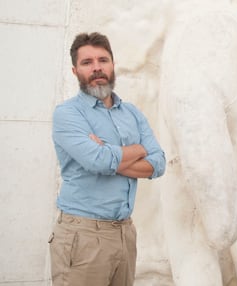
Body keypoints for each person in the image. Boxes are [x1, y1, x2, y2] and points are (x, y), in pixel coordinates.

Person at [49, 32, 166, 286]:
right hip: (83, 235)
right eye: (87, 62)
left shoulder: (131, 112)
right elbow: (98, 162)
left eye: (103, 60)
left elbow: (158, 163)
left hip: (125, 232)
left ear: (113, 64)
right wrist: (138, 149)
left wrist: (109, 154)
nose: (97, 68)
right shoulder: (67, 114)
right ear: (74, 70)